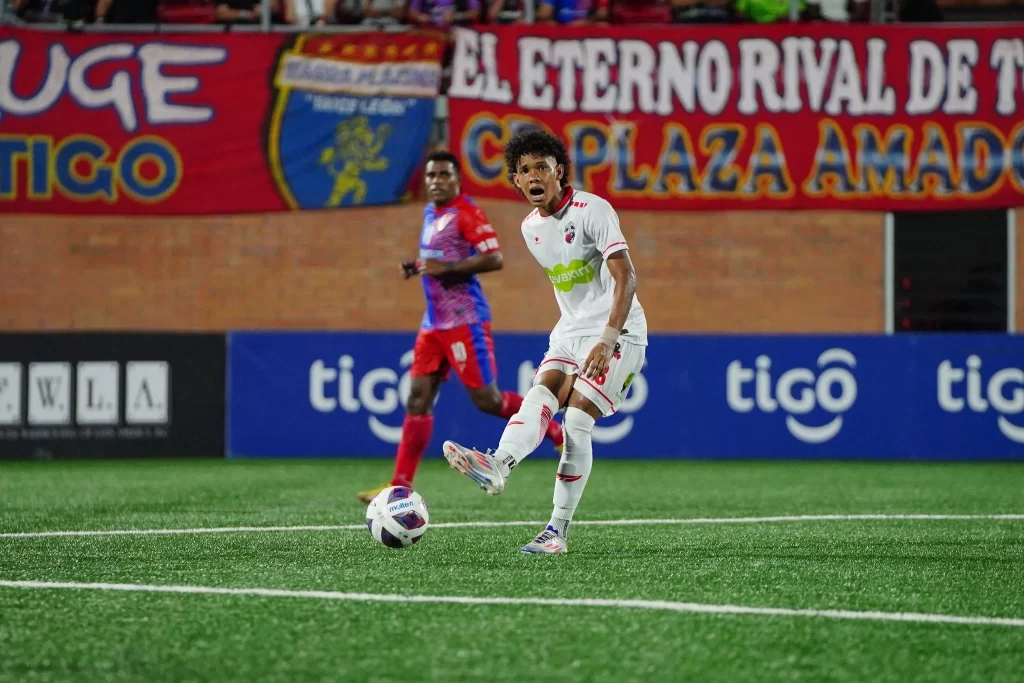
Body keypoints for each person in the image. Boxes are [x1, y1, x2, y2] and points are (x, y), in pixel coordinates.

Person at [442, 131, 648, 554]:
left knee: (575, 423)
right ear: (516, 181)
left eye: (541, 167)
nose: (533, 176)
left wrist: (607, 340)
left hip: (619, 330)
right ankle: (499, 464)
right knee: (540, 395)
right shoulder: (530, 228)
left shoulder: (593, 210)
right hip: (569, 331)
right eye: (524, 170)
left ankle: (557, 531)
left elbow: (627, 277)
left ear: (559, 171)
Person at [357, 150, 564, 504]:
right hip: (433, 323)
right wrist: (420, 266)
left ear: (456, 179)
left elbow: (494, 257)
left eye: (444, 175)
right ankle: (399, 487)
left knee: (488, 400)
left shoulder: (468, 212)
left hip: (465, 321)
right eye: (431, 176)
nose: (436, 181)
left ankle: (553, 427)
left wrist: (447, 268)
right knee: (417, 398)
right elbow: (439, 259)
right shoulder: (431, 212)